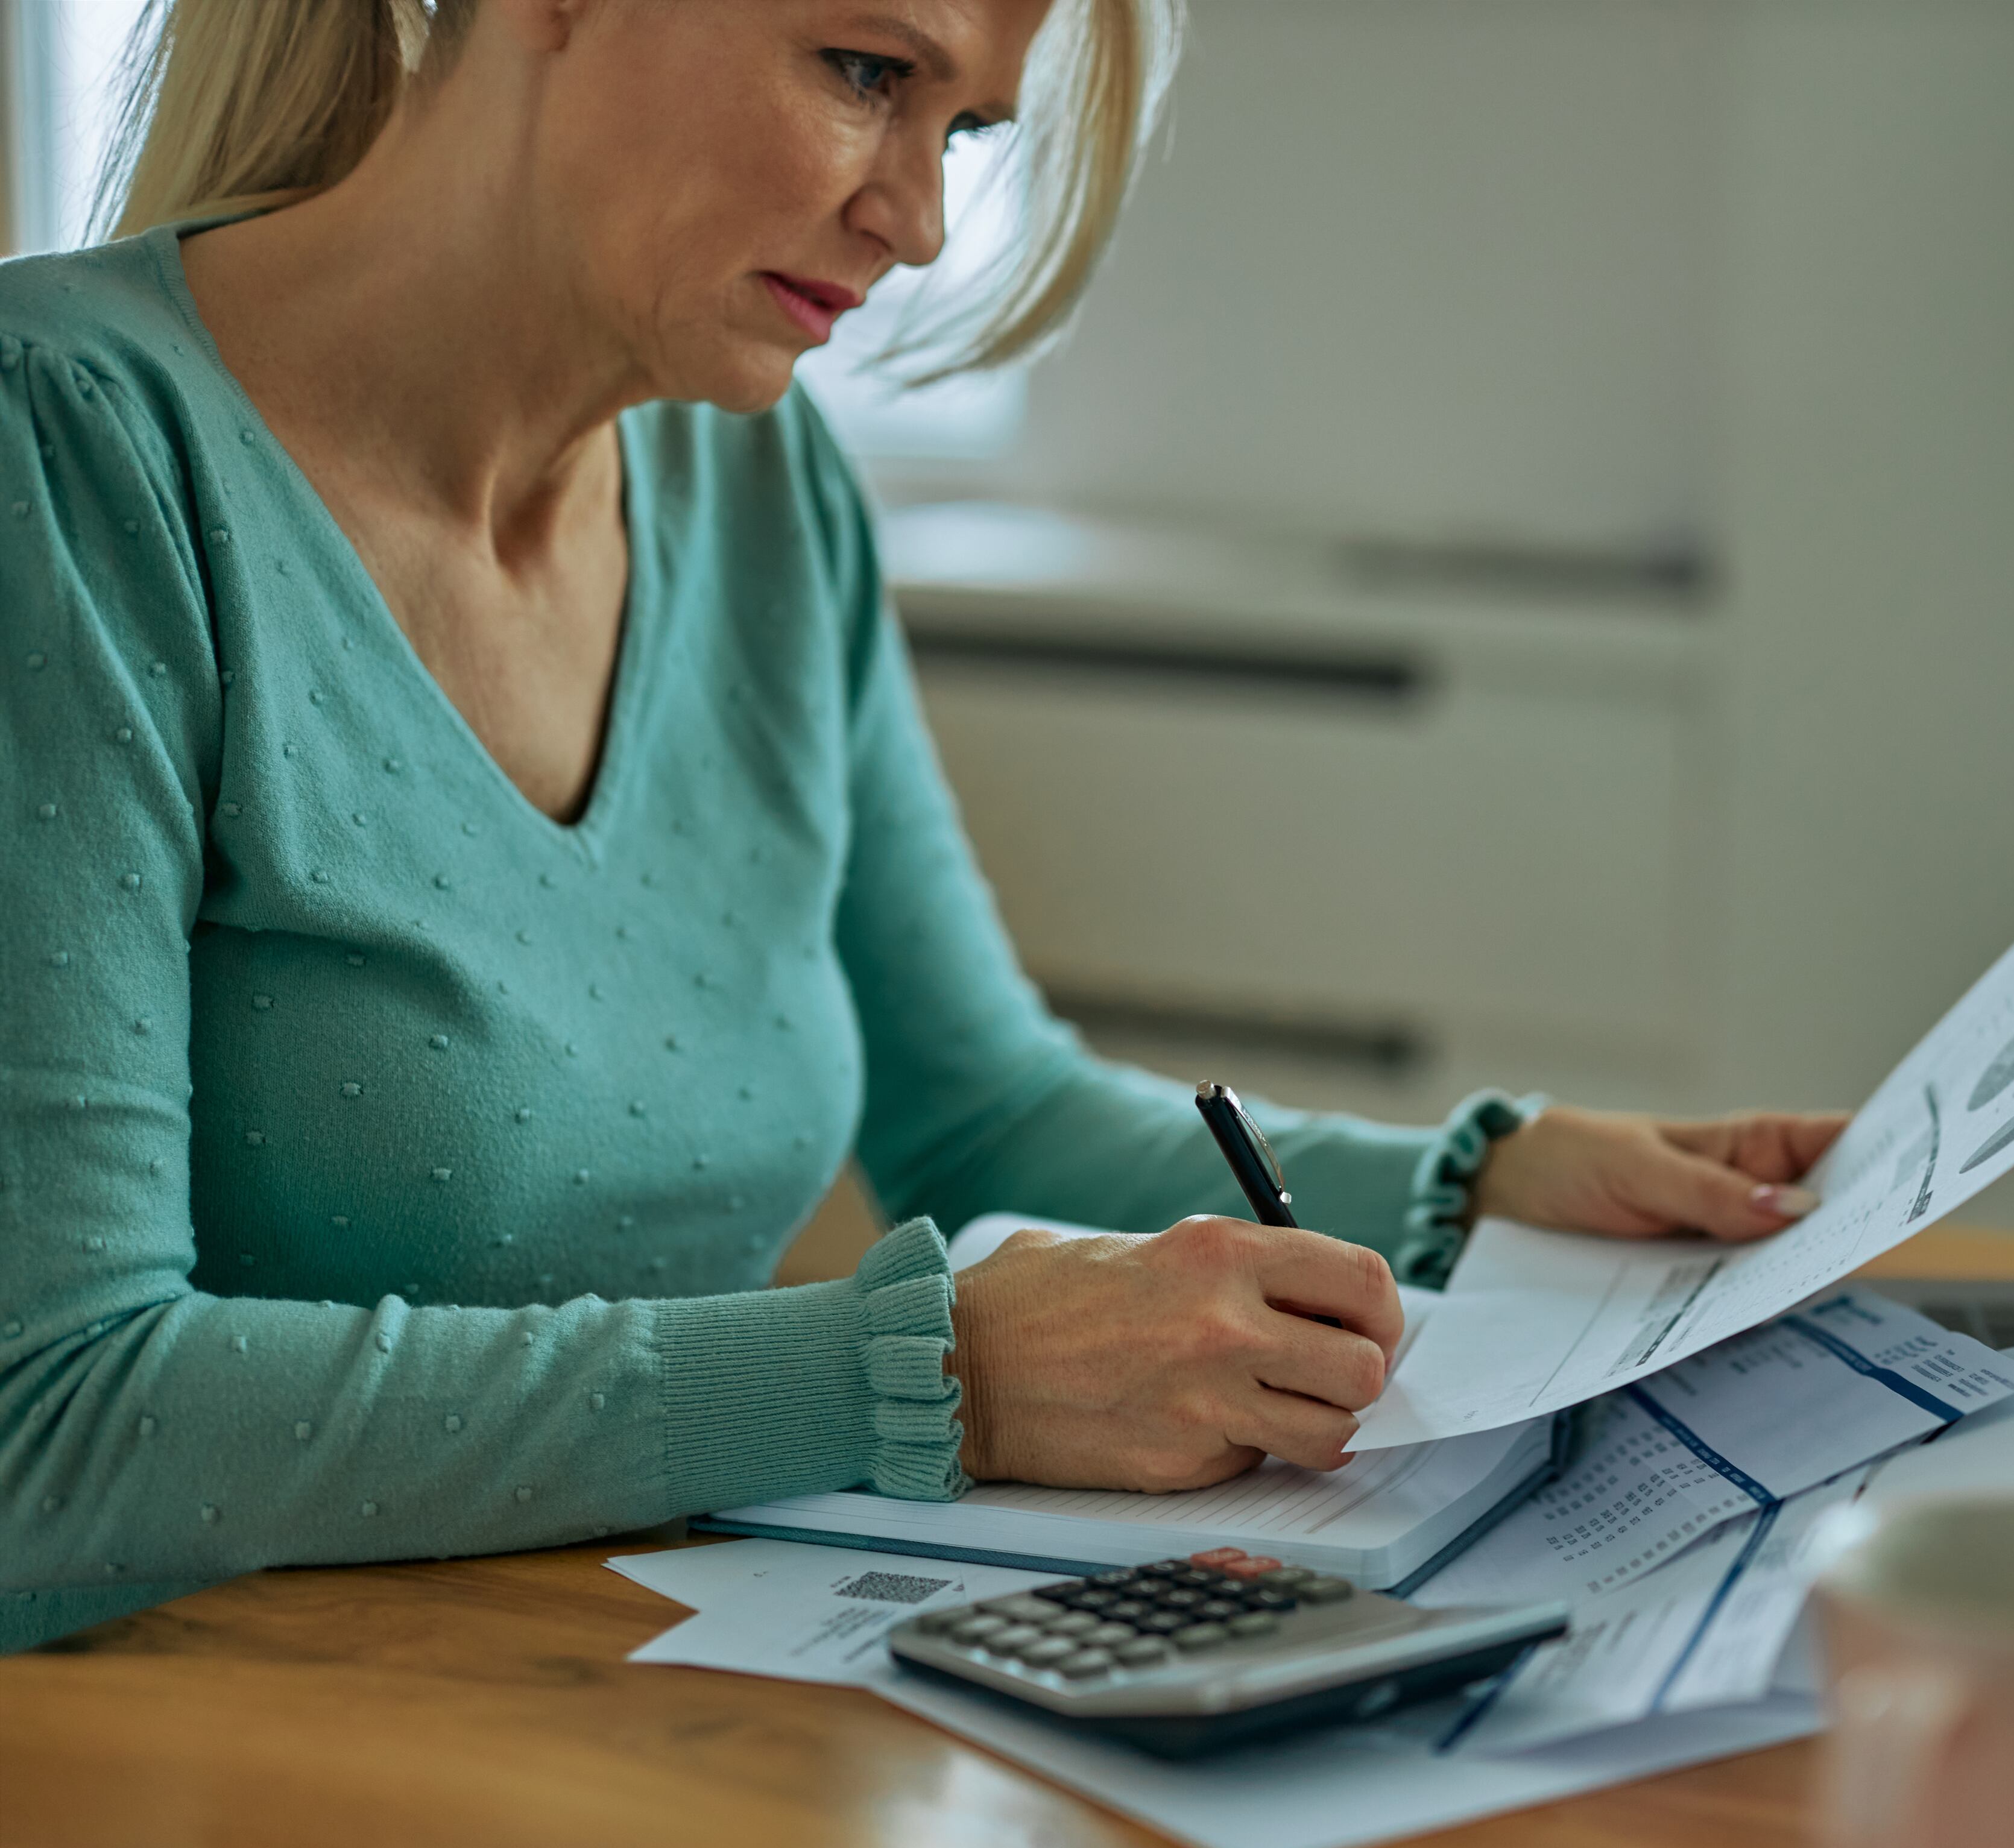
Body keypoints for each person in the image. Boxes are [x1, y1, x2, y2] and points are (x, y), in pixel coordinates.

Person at [0, 0, 1843, 1651]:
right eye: (866, 74)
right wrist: (931, 1378)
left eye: (962, 129)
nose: (924, 222)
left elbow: (985, 1110)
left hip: (582, 1705)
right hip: (175, 1788)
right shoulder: (60, 453)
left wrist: (1482, 1182)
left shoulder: (759, 479)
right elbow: (54, 1414)